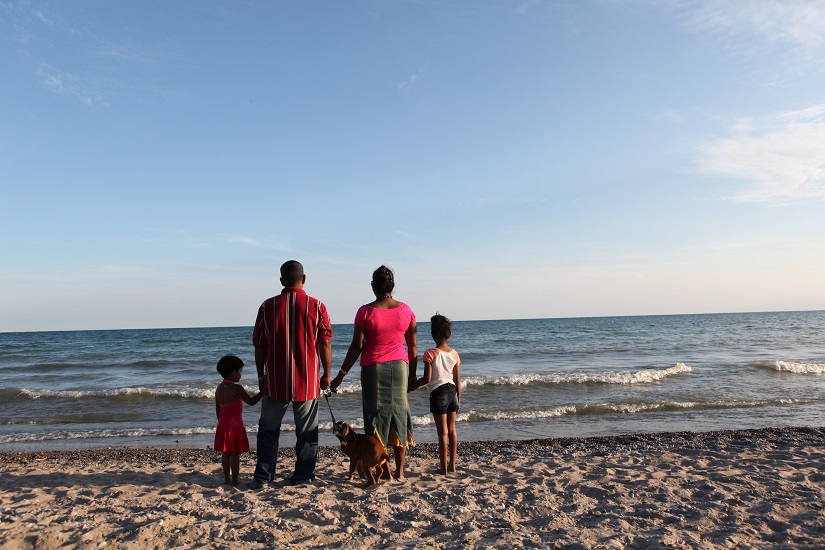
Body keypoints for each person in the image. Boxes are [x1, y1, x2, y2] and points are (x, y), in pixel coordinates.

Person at [250, 260, 333, 488]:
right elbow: (325, 344)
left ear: (281, 281)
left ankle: (263, 476)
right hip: (307, 380)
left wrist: (260, 376)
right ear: (304, 279)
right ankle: (303, 476)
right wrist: (326, 373)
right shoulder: (316, 306)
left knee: (268, 430)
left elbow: (259, 346)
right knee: (306, 431)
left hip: (275, 380)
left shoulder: (267, 307)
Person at [331, 265, 417, 480]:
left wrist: (341, 374)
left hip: (373, 368)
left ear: (372, 287)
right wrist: (413, 375)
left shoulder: (365, 311)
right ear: (393, 286)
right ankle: (399, 471)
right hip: (399, 367)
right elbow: (413, 347)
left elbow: (356, 346)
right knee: (399, 415)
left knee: (375, 417)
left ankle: (383, 470)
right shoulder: (407, 310)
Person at [416, 314, 461, 475]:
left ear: (433, 334)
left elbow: (427, 379)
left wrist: (412, 385)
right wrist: (459, 400)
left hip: (438, 393)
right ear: (449, 334)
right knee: (452, 431)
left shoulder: (430, 353)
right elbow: (457, 379)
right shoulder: (454, 354)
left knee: (442, 433)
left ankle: (443, 468)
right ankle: (452, 466)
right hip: (452, 392)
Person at [214, 355, 262, 485]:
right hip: (235, 426)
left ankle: (226, 478)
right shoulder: (237, 388)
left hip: (223, 425)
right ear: (234, 372)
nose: (241, 374)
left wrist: (221, 422)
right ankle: (235, 479)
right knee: (235, 453)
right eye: (240, 371)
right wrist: (262, 392)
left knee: (226, 453)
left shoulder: (219, 388)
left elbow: (218, 409)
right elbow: (251, 402)